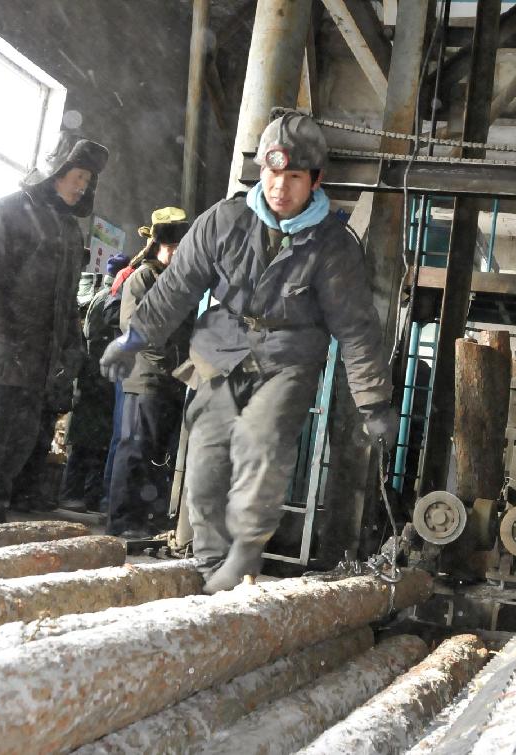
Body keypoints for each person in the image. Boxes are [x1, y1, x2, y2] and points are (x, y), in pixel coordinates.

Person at [101, 110, 398, 592]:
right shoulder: (224, 220)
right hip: (220, 347)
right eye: (272, 172)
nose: (280, 186)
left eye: (294, 176)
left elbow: (357, 330)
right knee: (207, 454)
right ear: (262, 170)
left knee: (261, 443)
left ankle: (244, 551)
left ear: (315, 181)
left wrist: (374, 403)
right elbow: (175, 288)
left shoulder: (334, 246)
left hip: (289, 357)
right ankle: (210, 565)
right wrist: (132, 339)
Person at [0, 132, 108, 524]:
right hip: (0, 355)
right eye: (78, 175)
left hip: (38, 361)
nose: (82, 185)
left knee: (17, 451)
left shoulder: (69, 229)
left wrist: (71, 350)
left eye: (87, 179)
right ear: (56, 171)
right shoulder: (9, 210)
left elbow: (66, 300)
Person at [107, 207, 192, 537]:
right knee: (135, 450)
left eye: (180, 248)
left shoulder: (178, 285)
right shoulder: (144, 277)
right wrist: (172, 362)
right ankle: (122, 523)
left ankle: (145, 521)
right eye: (171, 247)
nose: (175, 254)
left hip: (170, 381)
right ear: (158, 247)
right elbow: (135, 327)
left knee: (157, 456)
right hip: (145, 378)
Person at [59, 251, 131, 512]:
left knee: (94, 441)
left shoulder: (103, 297)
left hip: (98, 376)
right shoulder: (107, 299)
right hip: (95, 376)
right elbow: (95, 338)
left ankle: (87, 495)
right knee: (84, 442)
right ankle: (73, 493)